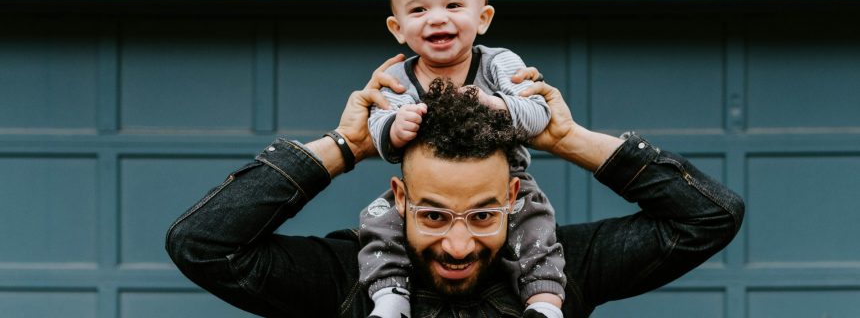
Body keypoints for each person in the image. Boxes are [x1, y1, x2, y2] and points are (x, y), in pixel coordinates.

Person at [165, 54, 745, 318]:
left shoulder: (563, 269)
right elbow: (203, 245)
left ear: (515, 199)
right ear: (399, 200)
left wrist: (568, 139)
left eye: (485, 215)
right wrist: (345, 148)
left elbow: (709, 217)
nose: (460, 246)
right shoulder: (348, 278)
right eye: (435, 216)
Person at [362, 0, 563, 318]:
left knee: (536, 224)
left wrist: (498, 105)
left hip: (504, 183)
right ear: (398, 28)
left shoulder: (500, 63)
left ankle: (544, 301)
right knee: (378, 221)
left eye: (453, 6)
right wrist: (393, 126)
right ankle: (390, 297)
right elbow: (378, 129)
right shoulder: (398, 78)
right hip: (425, 193)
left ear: (483, 18)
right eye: (419, 10)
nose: (437, 19)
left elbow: (539, 114)